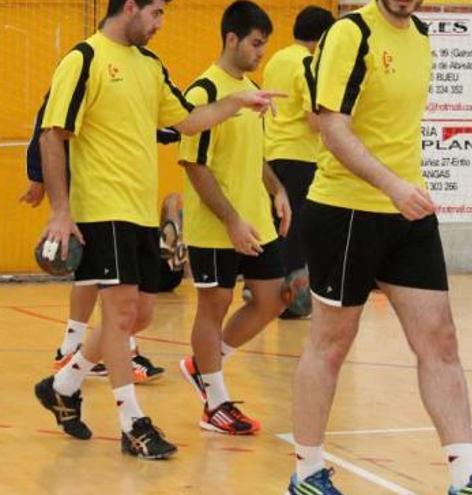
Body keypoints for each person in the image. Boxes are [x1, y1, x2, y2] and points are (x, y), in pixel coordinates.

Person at [287, 1, 472, 494]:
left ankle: (466, 478)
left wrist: (402, 190)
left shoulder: (420, 35)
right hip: (346, 211)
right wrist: (391, 186)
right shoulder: (351, 34)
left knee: (440, 340)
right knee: (330, 345)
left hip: (408, 211)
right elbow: (331, 126)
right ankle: (306, 473)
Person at [31, 0, 282, 460]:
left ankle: (64, 385)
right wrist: (60, 210)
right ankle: (134, 423)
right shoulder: (83, 60)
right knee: (123, 314)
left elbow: (185, 120)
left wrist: (235, 102)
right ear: (131, 7)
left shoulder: (149, 65)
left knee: (139, 314)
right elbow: (52, 135)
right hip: (100, 206)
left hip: (139, 210)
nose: (161, 25)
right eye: (157, 13)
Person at [177, 0, 289, 435]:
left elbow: (254, 156)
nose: (261, 52)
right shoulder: (204, 92)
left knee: (273, 298)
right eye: (257, 44)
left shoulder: (253, 91)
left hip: (256, 219)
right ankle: (215, 403)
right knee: (214, 306)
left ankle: (205, 365)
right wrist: (231, 220)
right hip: (215, 225)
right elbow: (194, 165)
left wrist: (277, 190)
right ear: (232, 39)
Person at [23, 125, 180, 382]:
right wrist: (38, 178)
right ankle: (103, 352)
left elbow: (144, 121)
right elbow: (46, 130)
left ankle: (72, 350)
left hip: (118, 189)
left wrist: (185, 126)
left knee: (104, 280)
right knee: (110, 282)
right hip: (92, 188)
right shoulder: (75, 85)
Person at [262, 5, 333, 319]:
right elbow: (314, 118)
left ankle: (263, 290)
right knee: (296, 229)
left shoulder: (277, 58)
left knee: (278, 225)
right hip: (300, 155)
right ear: (322, 37)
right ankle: (291, 302)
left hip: (272, 153)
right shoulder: (308, 62)